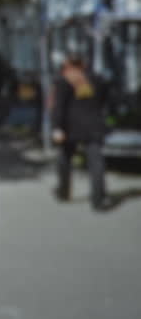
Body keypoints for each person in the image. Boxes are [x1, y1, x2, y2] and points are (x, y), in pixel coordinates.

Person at [51, 55, 114, 211]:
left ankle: (64, 192)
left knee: (64, 159)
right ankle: (98, 200)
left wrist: (57, 128)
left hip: (70, 127)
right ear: (83, 65)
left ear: (68, 65)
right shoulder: (97, 79)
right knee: (96, 163)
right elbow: (106, 100)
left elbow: (59, 106)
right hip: (94, 124)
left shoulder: (64, 80)